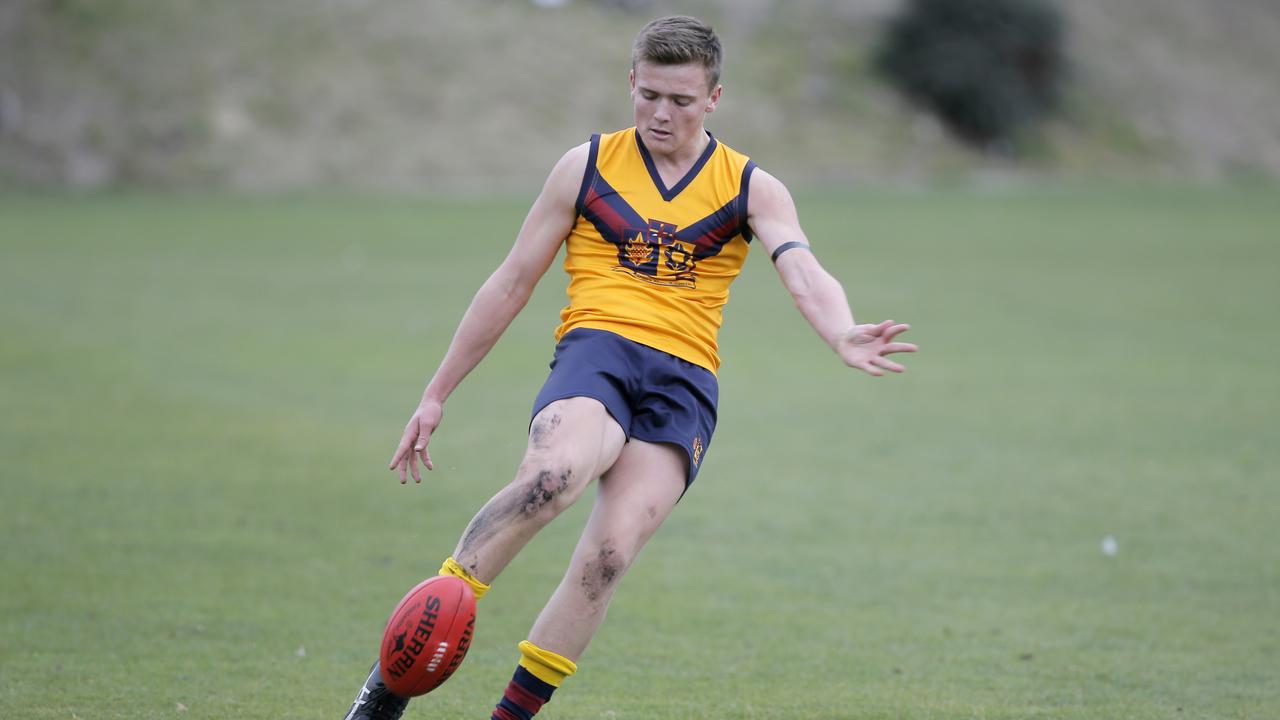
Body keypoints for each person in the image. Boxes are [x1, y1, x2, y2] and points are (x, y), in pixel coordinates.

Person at [343, 15, 916, 720]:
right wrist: (436, 394)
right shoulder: (585, 166)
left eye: (680, 100)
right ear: (631, 83)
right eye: (648, 95)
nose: (660, 113)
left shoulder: (750, 186)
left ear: (714, 98)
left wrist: (841, 330)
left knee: (609, 555)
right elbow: (511, 281)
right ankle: (390, 683)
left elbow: (803, 268)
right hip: (598, 353)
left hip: (683, 385)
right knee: (552, 479)